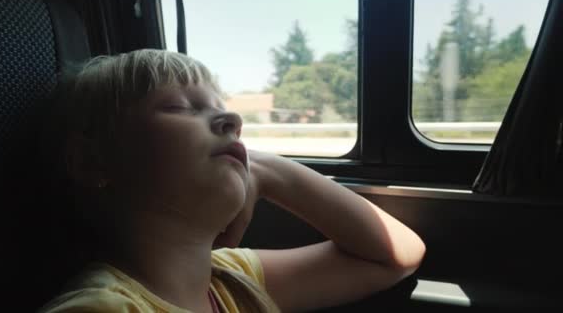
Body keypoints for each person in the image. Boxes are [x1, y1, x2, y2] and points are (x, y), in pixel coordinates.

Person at [37, 49, 425, 313]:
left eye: (222, 110)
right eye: (179, 107)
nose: (233, 122)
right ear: (92, 162)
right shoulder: (100, 307)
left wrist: (265, 171)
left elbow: (396, 254)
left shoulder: (231, 279)